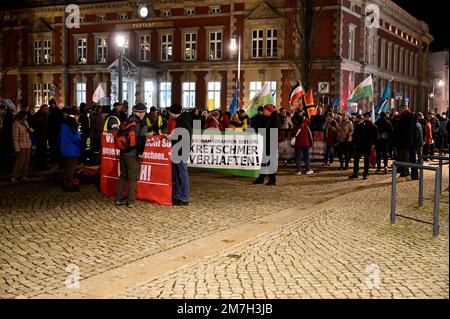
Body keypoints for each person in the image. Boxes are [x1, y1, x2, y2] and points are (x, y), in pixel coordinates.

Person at [115, 103, 148, 208]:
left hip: (123, 152)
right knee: (133, 178)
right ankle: (131, 201)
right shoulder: (142, 123)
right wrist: (140, 153)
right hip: (133, 153)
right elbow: (142, 140)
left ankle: (118, 199)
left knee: (123, 176)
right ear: (142, 113)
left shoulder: (126, 121)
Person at [167, 103, 193, 206]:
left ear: (173, 112)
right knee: (177, 174)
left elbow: (181, 136)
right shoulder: (184, 119)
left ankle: (184, 198)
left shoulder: (182, 122)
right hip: (179, 149)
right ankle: (177, 196)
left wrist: (171, 137)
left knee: (182, 174)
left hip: (181, 150)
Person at [252, 104, 281, 186]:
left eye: (265, 110)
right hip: (263, 142)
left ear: (269, 111)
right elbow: (257, 127)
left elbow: (275, 131)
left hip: (272, 143)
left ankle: (272, 180)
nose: (263, 111)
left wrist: (263, 132)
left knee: (271, 162)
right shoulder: (263, 118)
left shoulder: (276, 120)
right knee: (263, 161)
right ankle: (261, 178)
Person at [349, 112, 378, 180]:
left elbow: (376, 138)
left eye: (368, 117)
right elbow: (355, 135)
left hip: (366, 145)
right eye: (366, 117)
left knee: (365, 160)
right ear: (364, 117)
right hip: (362, 145)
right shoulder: (362, 126)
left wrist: (374, 145)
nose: (367, 118)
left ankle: (363, 174)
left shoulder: (373, 126)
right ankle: (358, 173)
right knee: (358, 160)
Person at [60, 107, 83, 192]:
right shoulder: (73, 123)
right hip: (73, 149)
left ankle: (65, 182)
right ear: (76, 115)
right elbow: (76, 138)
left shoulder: (64, 122)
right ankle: (69, 185)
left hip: (65, 148)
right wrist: (81, 144)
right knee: (71, 168)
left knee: (67, 167)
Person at [11, 110, 33, 183]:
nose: (26, 116)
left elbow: (28, 132)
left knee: (26, 161)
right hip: (21, 146)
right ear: (22, 115)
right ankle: (14, 176)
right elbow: (15, 137)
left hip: (27, 144)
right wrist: (17, 148)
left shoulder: (25, 122)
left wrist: (30, 129)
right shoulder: (16, 124)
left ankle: (23, 176)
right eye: (25, 115)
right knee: (20, 162)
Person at [395, 105, 415, 180]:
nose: (399, 111)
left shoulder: (407, 117)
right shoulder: (406, 117)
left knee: (404, 158)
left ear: (402, 109)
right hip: (405, 141)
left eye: (400, 110)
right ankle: (406, 174)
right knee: (404, 157)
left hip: (405, 142)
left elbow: (408, 132)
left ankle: (404, 174)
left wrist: (405, 142)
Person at [30, 104, 49, 170]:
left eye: (47, 109)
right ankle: (40, 165)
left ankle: (43, 164)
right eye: (46, 109)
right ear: (42, 109)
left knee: (43, 151)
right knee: (40, 151)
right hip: (39, 136)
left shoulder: (44, 116)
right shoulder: (37, 116)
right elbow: (34, 126)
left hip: (43, 136)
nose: (47, 110)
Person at [48, 98, 63, 166]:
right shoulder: (49, 111)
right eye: (50, 104)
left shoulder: (57, 111)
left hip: (55, 131)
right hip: (51, 131)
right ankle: (53, 159)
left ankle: (56, 159)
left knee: (56, 146)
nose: (51, 105)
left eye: (52, 104)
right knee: (52, 146)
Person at [0, 103, 14, 174]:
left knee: (7, 154)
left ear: (2, 109)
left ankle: (8, 169)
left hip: (7, 139)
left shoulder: (8, 116)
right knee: (5, 154)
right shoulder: (3, 116)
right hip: (4, 138)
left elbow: (9, 128)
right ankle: (6, 167)